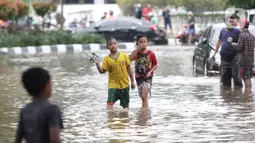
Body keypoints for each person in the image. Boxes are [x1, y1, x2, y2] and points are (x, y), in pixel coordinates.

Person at [15, 67, 63, 143]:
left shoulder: (25, 110)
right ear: (47, 86)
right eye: (50, 84)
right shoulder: (53, 109)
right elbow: (54, 140)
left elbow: (18, 139)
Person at [93, 38, 135, 110]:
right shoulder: (106, 59)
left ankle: (125, 120)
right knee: (109, 105)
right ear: (107, 47)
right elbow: (102, 71)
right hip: (113, 85)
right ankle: (110, 120)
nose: (113, 45)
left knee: (125, 108)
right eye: (110, 44)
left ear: (117, 45)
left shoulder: (124, 56)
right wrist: (97, 63)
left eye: (114, 43)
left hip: (124, 85)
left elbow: (129, 69)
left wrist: (133, 81)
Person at [212, 15, 243, 88]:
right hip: (224, 58)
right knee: (225, 80)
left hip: (234, 58)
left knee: (236, 79)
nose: (231, 23)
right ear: (226, 22)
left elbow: (242, 43)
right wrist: (214, 53)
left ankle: (238, 95)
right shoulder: (222, 30)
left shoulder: (237, 31)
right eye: (230, 21)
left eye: (233, 21)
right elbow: (219, 42)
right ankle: (227, 97)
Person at [129, 35, 159, 108]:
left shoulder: (151, 54)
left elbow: (156, 64)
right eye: (140, 42)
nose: (143, 43)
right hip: (138, 78)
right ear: (137, 44)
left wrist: (150, 72)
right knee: (142, 97)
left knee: (144, 96)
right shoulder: (136, 53)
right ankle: (145, 111)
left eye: (144, 42)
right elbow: (129, 59)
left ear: (147, 43)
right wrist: (137, 49)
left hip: (147, 78)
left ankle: (144, 115)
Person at [235, 20, 255, 89]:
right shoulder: (252, 36)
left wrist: (234, 45)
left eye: (240, 24)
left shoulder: (242, 35)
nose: (239, 25)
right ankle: (249, 95)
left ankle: (247, 95)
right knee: (248, 77)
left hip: (243, 61)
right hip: (250, 61)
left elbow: (239, 48)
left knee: (245, 78)